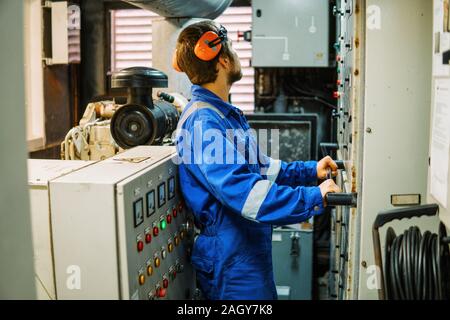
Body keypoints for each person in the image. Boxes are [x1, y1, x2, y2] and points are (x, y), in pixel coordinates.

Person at [173, 20, 341, 300]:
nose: (239, 57)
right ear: (223, 60)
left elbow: (264, 170)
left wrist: (312, 172)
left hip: (244, 249)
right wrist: (313, 197)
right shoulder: (205, 123)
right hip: (231, 258)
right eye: (234, 51)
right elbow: (248, 194)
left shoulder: (223, 116)